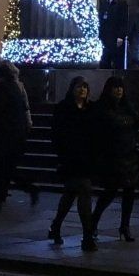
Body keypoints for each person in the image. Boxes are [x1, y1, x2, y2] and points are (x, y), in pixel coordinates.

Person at [48, 75, 99, 251]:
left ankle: (56, 226)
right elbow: (57, 133)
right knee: (84, 192)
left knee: (71, 193)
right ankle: (87, 235)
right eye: (79, 87)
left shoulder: (91, 109)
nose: (82, 90)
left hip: (86, 158)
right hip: (70, 158)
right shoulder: (64, 108)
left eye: (85, 87)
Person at [0, 59, 37, 210]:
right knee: (6, 168)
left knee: (1, 168)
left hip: (3, 135)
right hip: (14, 134)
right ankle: (1, 197)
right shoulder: (15, 87)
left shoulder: (1, 88)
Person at [89, 75, 139, 243]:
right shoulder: (102, 109)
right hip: (113, 156)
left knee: (129, 192)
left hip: (129, 155)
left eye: (121, 87)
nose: (119, 90)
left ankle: (124, 226)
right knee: (110, 191)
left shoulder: (127, 107)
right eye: (115, 87)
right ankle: (94, 221)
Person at [97, 0, 129, 69]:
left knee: (117, 61)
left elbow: (124, 20)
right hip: (105, 36)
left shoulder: (122, 2)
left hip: (116, 36)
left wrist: (121, 36)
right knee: (104, 61)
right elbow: (100, 18)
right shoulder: (103, 1)